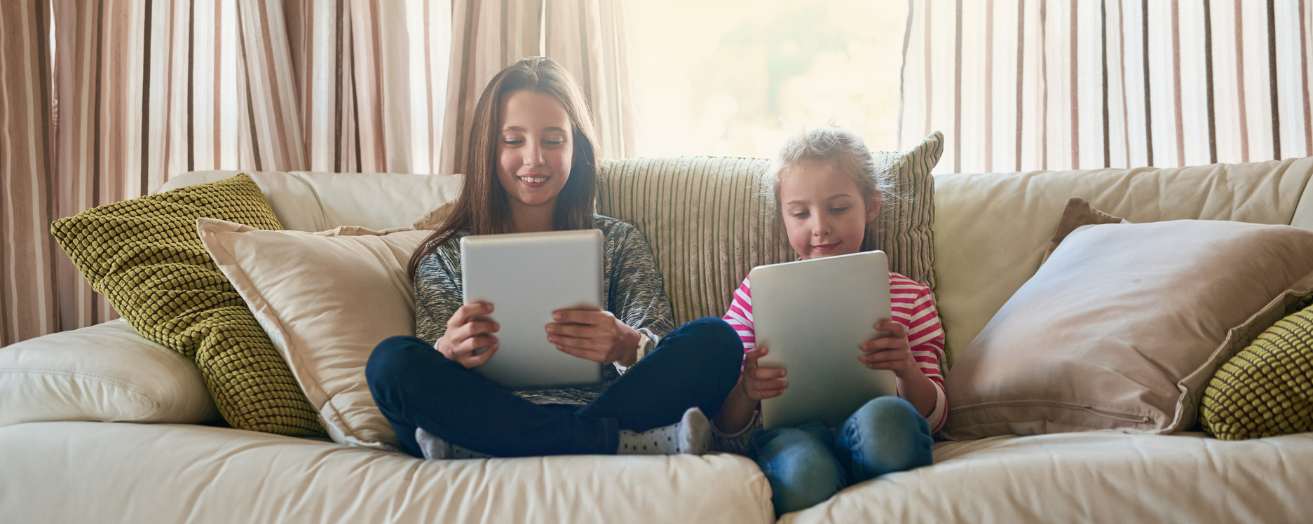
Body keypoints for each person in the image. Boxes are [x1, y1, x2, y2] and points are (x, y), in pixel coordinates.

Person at [366, 57, 742, 459]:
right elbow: (427, 370)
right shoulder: (444, 255)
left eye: (552, 140)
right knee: (390, 363)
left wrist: (626, 345)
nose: (535, 158)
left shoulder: (618, 241)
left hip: (604, 409)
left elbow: (660, 349)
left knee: (717, 340)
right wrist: (448, 352)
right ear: (487, 149)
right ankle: (607, 444)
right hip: (492, 415)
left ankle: (488, 449)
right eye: (513, 141)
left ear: (575, 147)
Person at [714, 128, 946, 514]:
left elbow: (936, 417)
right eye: (800, 213)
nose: (819, 226)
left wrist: (906, 369)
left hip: (878, 423)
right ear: (783, 216)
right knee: (803, 473)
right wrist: (746, 389)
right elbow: (726, 426)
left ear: (871, 206)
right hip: (793, 434)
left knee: (889, 425)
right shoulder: (757, 294)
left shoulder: (910, 296)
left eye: (838, 209)